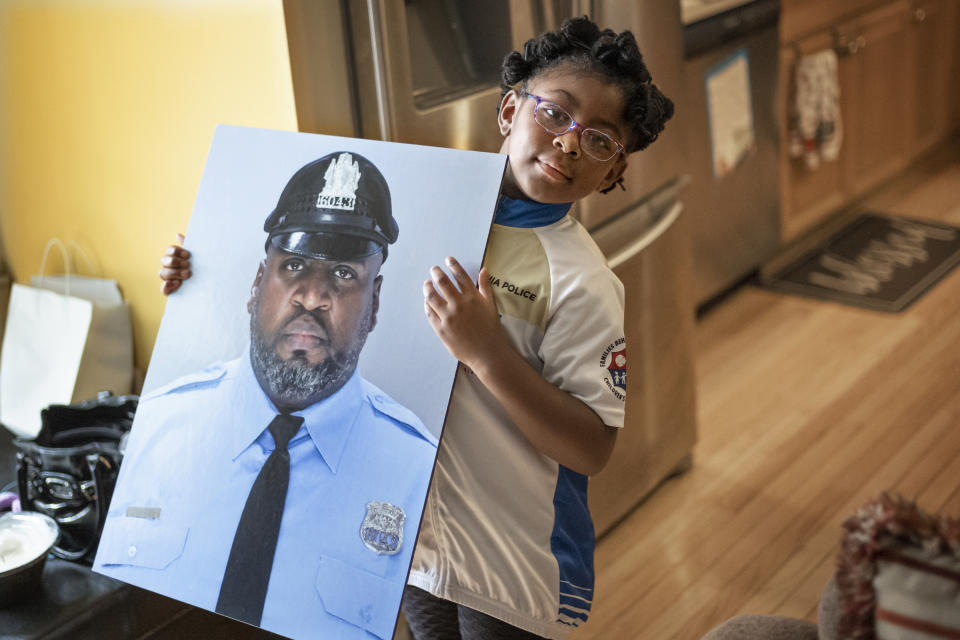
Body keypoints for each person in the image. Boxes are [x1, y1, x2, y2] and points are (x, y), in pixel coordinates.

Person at [159, 16, 673, 640]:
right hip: (410, 539)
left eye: (599, 140)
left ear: (614, 172)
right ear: (510, 109)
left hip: (512, 564)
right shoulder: (420, 207)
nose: (568, 143)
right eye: (557, 114)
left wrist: (487, 354)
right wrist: (205, 270)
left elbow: (592, 447)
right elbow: (310, 287)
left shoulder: (582, 280)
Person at [98, 151, 437, 640]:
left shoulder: (417, 468)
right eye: (295, 265)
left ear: (375, 302)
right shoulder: (157, 424)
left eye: (343, 274)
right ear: (257, 284)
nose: (313, 296)